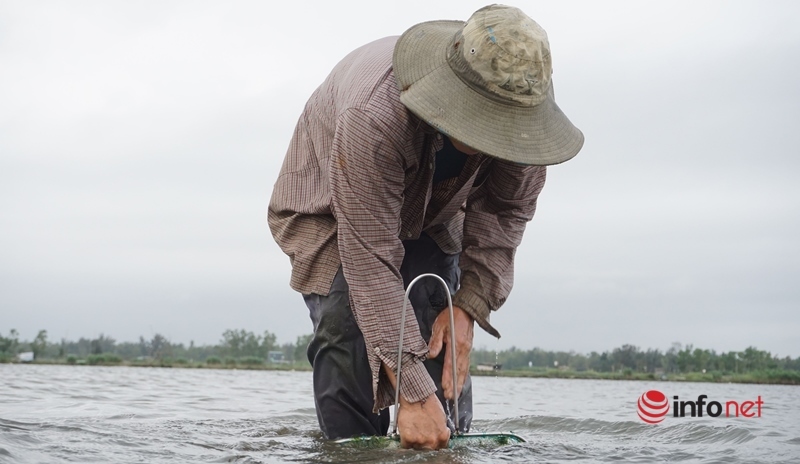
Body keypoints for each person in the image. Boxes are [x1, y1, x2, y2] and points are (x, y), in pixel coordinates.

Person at [268, 4, 583, 450]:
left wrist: (470, 306)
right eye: (483, 116)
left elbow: (503, 218)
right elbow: (371, 265)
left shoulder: (526, 127)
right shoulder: (372, 116)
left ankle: (449, 442)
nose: (494, 132)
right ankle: (347, 452)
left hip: (436, 220)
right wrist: (411, 393)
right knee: (349, 330)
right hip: (334, 215)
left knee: (442, 347)